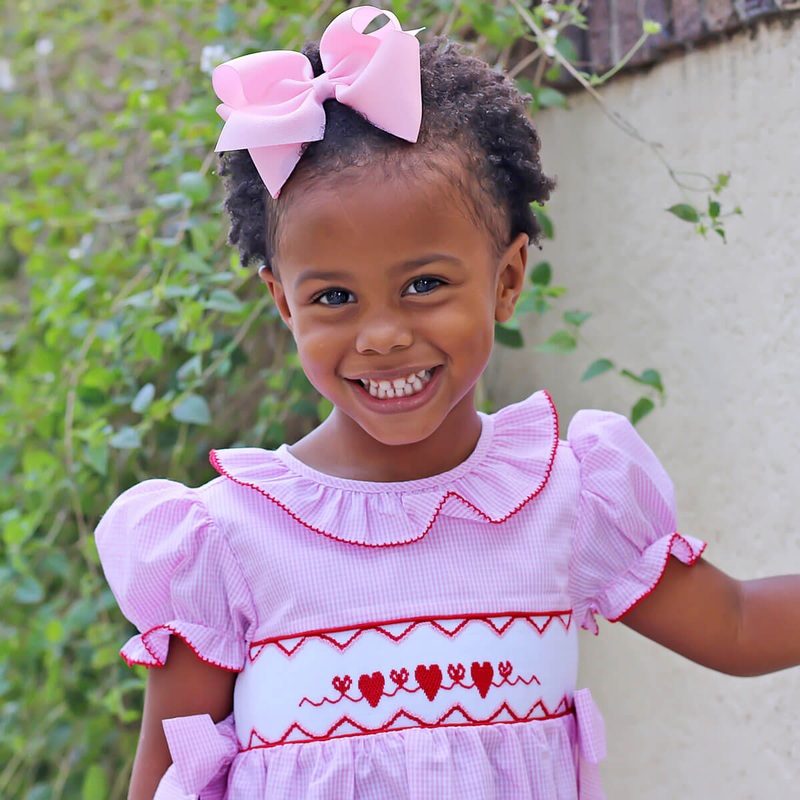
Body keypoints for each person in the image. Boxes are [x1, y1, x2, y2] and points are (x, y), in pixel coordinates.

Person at [95, 6, 800, 799]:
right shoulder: (222, 544)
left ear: (506, 279)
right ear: (284, 304)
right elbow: (163, 779)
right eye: (333, 296)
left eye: (424, 285)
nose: (384, 334)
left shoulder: (567, 496)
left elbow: (737, 623)